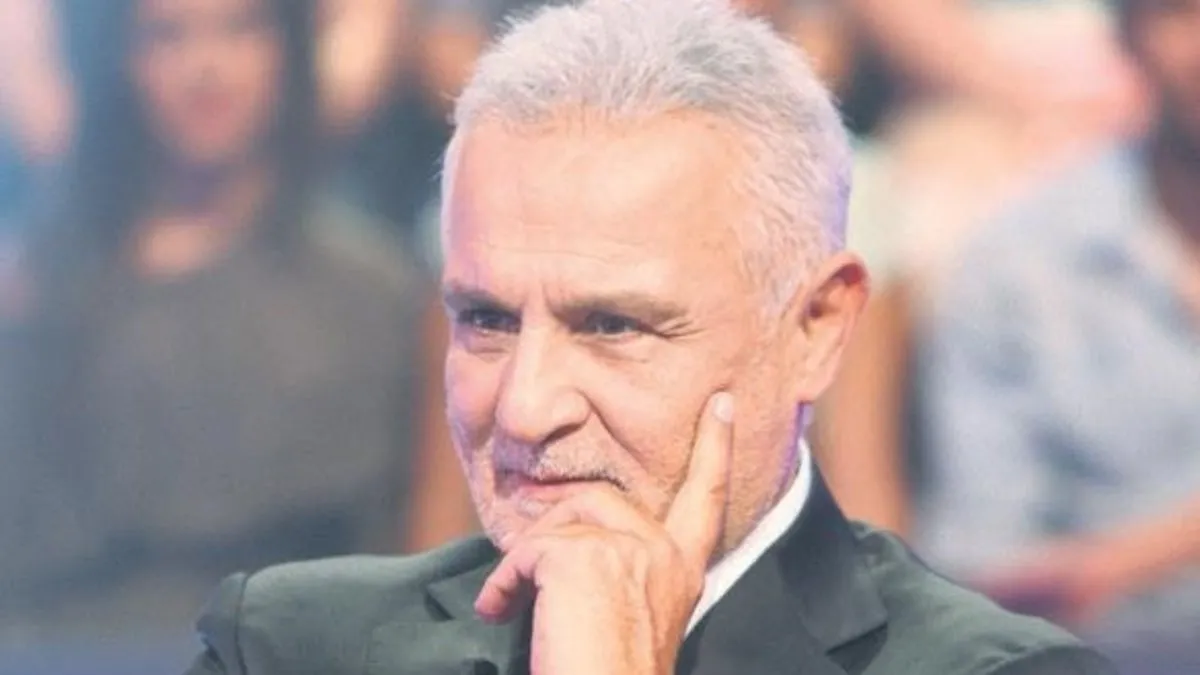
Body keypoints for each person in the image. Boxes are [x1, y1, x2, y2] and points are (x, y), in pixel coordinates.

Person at [183, 2, 1116, 674]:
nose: (526, 408)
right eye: (487, 320)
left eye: (612, 325)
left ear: (816, 328)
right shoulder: (283, 646)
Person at [0, 0, 461, 663]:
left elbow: (425, 568)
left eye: (241, 29)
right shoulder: (35, 292)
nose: (206, 67)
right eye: (168, 36)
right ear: (120, 58)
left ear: (290, 48)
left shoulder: (382, 297)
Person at [822, 0, 1200, 670]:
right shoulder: (1019, 265)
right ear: (1127, 34)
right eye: (1179, 12)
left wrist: (1126, 560)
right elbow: (991, 574)